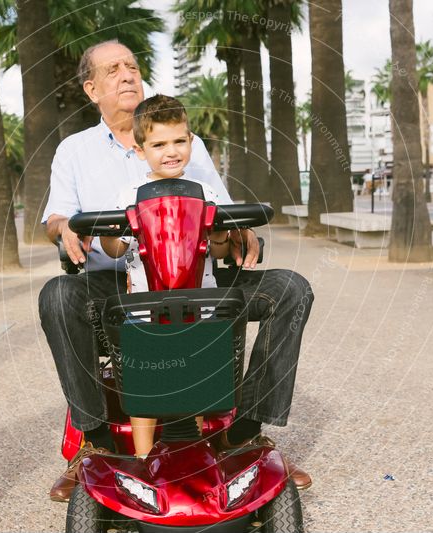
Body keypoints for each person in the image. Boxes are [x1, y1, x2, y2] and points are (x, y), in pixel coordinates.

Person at [39, 41, 313, 502]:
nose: (127, 74)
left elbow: (221, 211)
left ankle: (245, 433)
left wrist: (240, 233)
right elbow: (56, 219)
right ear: (91, 89)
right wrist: (65, 228)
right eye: (113, 70)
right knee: (58, 296)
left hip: (196, 276)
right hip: (123, 284)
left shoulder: (191, 144)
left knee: (290, 289)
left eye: (132, 66)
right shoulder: (74, 150)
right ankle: (95, 444)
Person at [99, 94, 231, 456]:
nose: (170, 151)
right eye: (158, 144)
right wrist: (107, 230)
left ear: (191, 142)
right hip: (146, 308)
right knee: (147, 387)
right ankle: (143, 459)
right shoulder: (130, 196)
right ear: (141, 151)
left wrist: (221, 229)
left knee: (202, 382)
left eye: (179, 141)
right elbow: (117, 249)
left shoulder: (207, 194)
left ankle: (204, 455)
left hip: (202, 306)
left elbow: (219, 251)